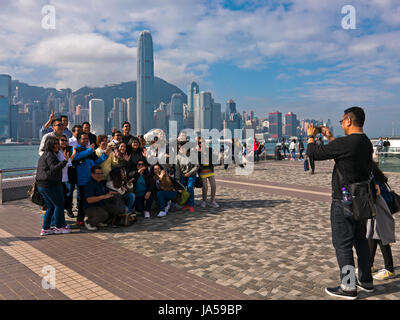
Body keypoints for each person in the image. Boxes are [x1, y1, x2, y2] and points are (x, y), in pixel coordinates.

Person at [307, 106, 374, 299]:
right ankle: (366, 281)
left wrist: (311, 136)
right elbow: (345, 155)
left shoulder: (347, 142)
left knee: (343, 244)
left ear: (348, 121)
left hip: (343, 201)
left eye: (342, 121)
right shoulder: (366, 142)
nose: (341, 124)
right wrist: (330, 139)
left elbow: (314, 153)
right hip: (361, 200)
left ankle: (348, 287)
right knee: (360, 241)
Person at [73, 133, 111, 226]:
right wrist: (90, 150)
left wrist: (105, 155)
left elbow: (96, 162)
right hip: (82, 181)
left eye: (87, 139)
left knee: (95, 199)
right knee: (83, 201)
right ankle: (80, 220)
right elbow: (75, 157)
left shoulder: (89, 151)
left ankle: (95, 218)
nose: (86, 140)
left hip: (92, 180)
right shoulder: (75, 149)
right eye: (83, 139)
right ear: (78, 140)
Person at [36, 136, 71, 236]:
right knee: (59, 205)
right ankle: (59, 227)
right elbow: (54, 169)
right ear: (50, 145)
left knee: (50, 206)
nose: (58, 145)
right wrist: (65, 161)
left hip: (42, 184)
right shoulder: (50, 155)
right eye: (55, 143)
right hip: (50, 184)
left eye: (57, 143)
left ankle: (46, 228)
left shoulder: (44, 155)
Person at [367, 161, 396, 280]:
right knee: (371, 236)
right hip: (378, 205)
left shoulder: (368, 170)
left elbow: (376, 191)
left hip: (379, 205)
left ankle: (389, 269)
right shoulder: (372, 167)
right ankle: (369, 264)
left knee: (380, 236)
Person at [83, 166, 118, 231]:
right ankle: (89, 222)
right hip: (90, 208)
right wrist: (103, 196)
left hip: (100, 205)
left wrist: (111, 192)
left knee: (115, 208)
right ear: (92, 174)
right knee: (104, 214)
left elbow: (105, 192)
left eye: (101, 173)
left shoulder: (100, 182)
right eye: (98, 174)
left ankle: (98, 221)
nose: (100, 175)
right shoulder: (89, 184)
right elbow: (89, 200)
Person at [57, 135, 76, 219]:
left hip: (67, 177)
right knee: (59, 198)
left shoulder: (67, 150)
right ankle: (58, 219)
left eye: (65, 140)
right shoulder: (56, 152)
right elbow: (66, 163)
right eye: (62, 140)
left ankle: (68, 210)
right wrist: (73, 155)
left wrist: (73, 154)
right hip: (58, 178)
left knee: (68, 195)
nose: (64, 142)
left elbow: (69, 163)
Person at [176, 142, 199, 213]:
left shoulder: (193, 155)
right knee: (183, 190)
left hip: (191, 175)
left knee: (189, 188)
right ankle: (186, 204)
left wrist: (189, 173)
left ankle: (191, 205)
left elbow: (197, 166)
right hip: (183, 175)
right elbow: (177, 169)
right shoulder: (178, 157)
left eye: (182, 147)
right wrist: (177, 178)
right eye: (180, 147)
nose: (181, 149)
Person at [198, 138, 219, 208]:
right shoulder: (198, 152)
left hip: (209, 170)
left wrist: (217, 154)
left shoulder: (209, 149)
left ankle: (212, 201)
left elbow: (214, 159)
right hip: (202, 171)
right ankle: (204, 201)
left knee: (213, 185)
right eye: (200, 143)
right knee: (205, 187)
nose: (202, 144)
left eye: (203, 142)